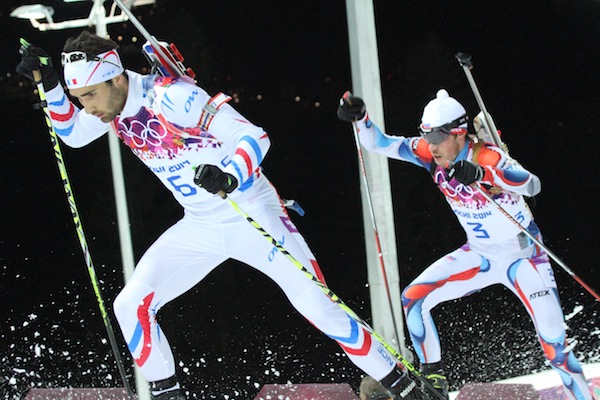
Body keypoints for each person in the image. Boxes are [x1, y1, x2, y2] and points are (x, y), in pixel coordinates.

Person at [16, 31, 431, 400]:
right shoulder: (110, 107)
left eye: (89, 96)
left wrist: (229, 175)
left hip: (251, 211)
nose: (85, 108)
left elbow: (254, 136)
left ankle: (406, 388)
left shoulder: (171, 97)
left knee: (319, 307)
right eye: (79, 98)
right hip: (200, 224)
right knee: (131, 304)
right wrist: (51, 86)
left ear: (116, 78)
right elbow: (71, 135)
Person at [337, 89, 596, 400]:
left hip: (524, 259)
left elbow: (532, 184)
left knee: (556, 349)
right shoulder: (427, 153)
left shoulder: (486, 156)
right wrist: (360, 119)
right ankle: (434, 382)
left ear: (459, 134)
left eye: (438, 136)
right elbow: (377, 143)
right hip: (480, 255)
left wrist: (486, 174)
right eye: (426, 135)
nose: (430, 145)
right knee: (414, 300)